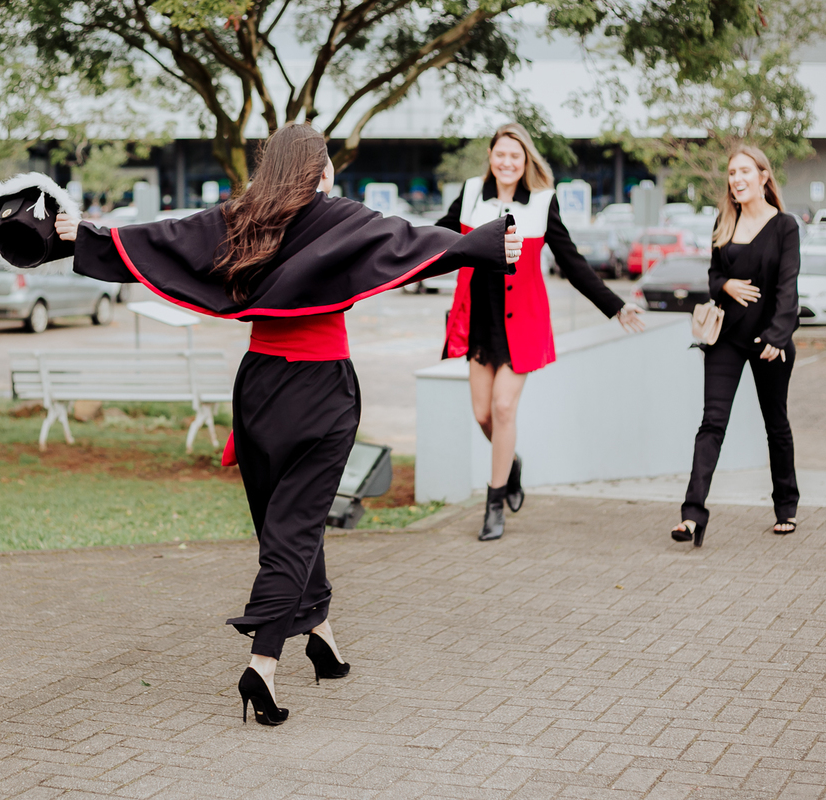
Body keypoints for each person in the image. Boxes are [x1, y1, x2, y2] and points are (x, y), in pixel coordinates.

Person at [53, 123, 520, 726]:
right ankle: (262, 666)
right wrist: (480, 243)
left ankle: (321, 637)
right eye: (329, 165)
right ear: (319, 170)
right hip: (322, 390)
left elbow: (165, 239)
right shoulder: (340, 217)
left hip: (258, 389)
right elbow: (408, 240)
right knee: (294, 529)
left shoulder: (241, 219)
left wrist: (84, 239)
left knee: (289, 520)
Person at [437, 122, 645, 542]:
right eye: (500, 154)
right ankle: (509, 463)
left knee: (503, 408)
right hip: (478, 319)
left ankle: (494, 504)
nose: (507, 162)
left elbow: (572, 262)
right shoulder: (472, 194)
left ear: (526, 159)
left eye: (515, 155)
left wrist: (615, 305)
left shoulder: (543, 202)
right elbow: (437, 239)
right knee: (482, 414)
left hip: (523, 324)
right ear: (491, 157)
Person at [673, 146, 800, 547]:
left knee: (775, 423)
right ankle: (692, 515)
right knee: (712, 422)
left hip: (768, 341)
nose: (736, 179)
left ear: (764, 176)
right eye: (731, 173)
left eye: (744, 171)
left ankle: (786, 505)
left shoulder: (785, 226)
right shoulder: (725, 220)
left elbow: (788, 289)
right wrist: (725, 285)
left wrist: (778, 336)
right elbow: (712, 277)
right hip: (727, 337)